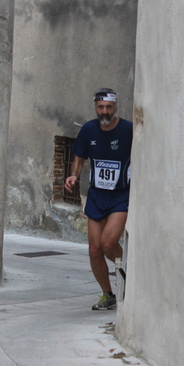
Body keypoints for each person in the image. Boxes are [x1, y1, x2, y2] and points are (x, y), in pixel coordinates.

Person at [64, 88, 132, 310]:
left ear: (116, 107)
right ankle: (108, 294)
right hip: (97, 195)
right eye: (100, 107)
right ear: (96, 107)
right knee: (94, 250)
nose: (104, 111)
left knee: (108, 243)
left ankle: (130, 274)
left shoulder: (128, 129)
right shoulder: (88, 129)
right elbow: (79, 158)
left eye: (109, 107)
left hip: (121, 195)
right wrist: (74, 175)